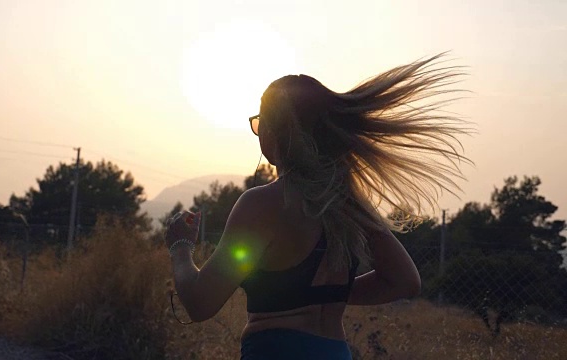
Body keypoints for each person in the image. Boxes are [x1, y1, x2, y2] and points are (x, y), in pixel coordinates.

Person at [164, 53, 471, 359]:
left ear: (271, 130)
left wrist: (180, 246)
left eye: (258, 124)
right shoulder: (349, 205)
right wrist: (327, 295)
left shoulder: (262, 204)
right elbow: (405, 281)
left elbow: (200, 302)